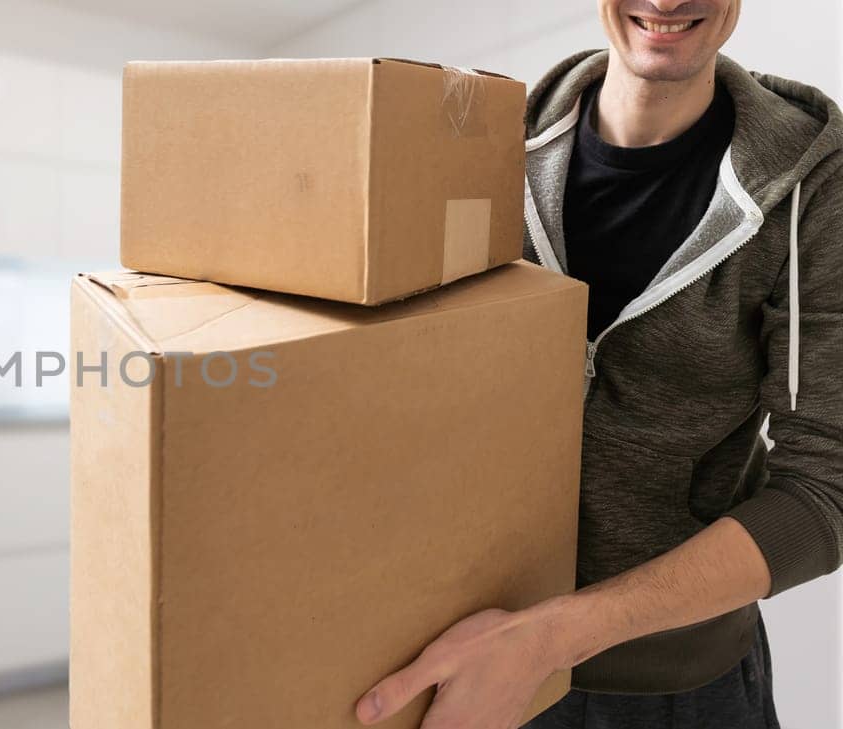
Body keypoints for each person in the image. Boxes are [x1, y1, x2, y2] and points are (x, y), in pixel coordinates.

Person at [355, 1, 843, 727]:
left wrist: (545, 638)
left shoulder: (810, 182)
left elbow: (825, 489)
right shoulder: (485, 143)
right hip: (467, 665)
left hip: (682, 688)